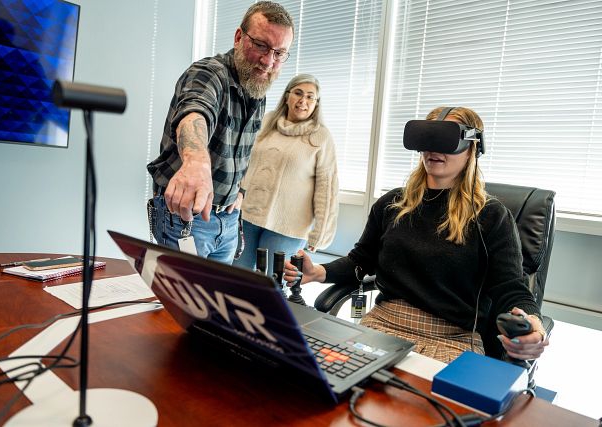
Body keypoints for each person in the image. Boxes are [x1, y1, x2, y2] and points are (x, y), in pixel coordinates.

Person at [284, 106, 549, 363]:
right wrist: (319, 272)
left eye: (445, 140)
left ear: (472, 148)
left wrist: (533, 325)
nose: (433, 149)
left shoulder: (491, 216)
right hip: (382, 325)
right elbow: (360, 261)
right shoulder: (393, 204)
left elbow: (510, 288)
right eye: (427, 138)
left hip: (451, 339)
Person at [147, 2, 294, 264]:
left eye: (279, 53)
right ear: (239, 37)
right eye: (260, 45)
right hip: (187, 220)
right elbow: (195, 111)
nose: (268, 61)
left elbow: (241, 153)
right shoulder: (208, 73)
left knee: (215, 303)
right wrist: (196, 163)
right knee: (187, 302)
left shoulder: (255, 87)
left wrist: (240, 192)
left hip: (227, 221)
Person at [233, 74, 339, 271]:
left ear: (316, 104)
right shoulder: (265, 123)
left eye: (310, 97)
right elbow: (245, 162)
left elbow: (327, 188)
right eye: (298, 93)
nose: (303, 101)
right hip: (247, 216)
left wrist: (321, 233)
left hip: (288, 226)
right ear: (287, 96)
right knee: (237, 277)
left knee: (272, 284)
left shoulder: (321, 137)